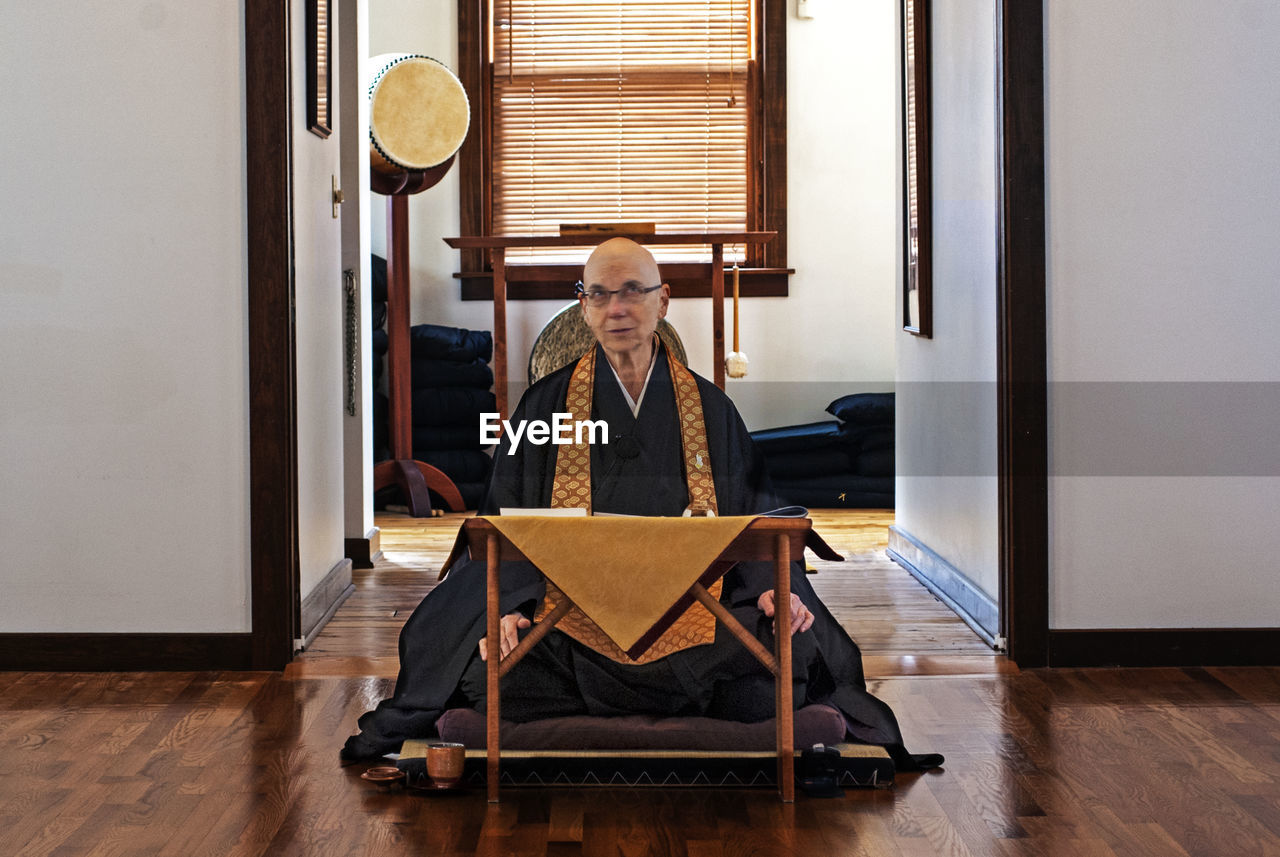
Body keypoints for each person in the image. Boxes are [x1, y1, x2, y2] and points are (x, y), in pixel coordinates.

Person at [342, 238, 940, 770]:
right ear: (582, 306)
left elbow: (753, 512)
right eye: (598, 295)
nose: (616, 310)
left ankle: (528, 727)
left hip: (696, 616)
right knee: (477, 660)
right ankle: (736, 724)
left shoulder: (710, 409)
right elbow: (506, 519)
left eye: (632, 292)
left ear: (664, 301)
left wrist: (767, 586)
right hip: (566, 619)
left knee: (794, 648)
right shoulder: (545, 409)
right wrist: (511, 606)